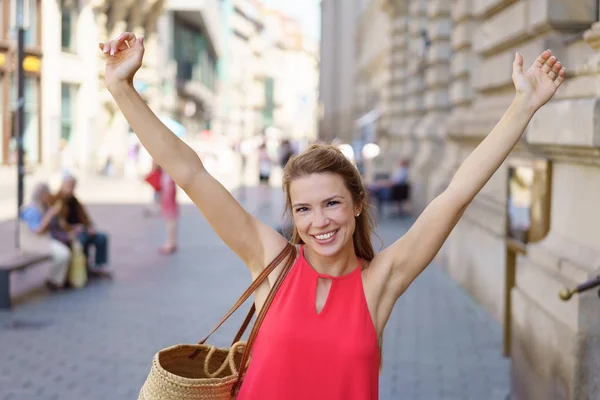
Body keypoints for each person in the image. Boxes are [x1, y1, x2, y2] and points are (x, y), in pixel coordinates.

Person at [100, 33, 565, 399]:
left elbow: (456, 194)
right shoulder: (271, 262)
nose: (318, 221)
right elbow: (191, 173)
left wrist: (522, 106)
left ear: (358, 204)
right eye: (303, 208)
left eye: (331, 203)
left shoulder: (380, 282)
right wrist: (123, 88)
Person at [19, 183, 71, 291]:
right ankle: (54, 280)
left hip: (44, 240)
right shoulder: (31, 209)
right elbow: (38, 231)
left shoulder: (43, 206)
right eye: (47, 195)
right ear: (42, 195)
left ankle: (58, 279)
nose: (49, 197)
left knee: (68, 246)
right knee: (63, 254)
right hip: (34, 242)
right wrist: (50, 214)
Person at [55, 175, 110, 276]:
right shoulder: (57, 200)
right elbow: (60, 223)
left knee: (101, 238)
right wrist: (73, 228)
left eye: (73, 186)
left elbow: (85, 217)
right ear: (62, 185)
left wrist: (90, 227)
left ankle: (99, 266)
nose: (71, 188)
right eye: (69, 185)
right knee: (81, 240)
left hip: (82, 229)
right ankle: (84, 268)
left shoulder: (75, 200)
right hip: (70, 232)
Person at [159, 169, 179, 254]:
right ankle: (171, 242)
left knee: (170, 217)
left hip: (168, 186)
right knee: (170, 217)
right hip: (169, 184)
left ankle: (171, 242)